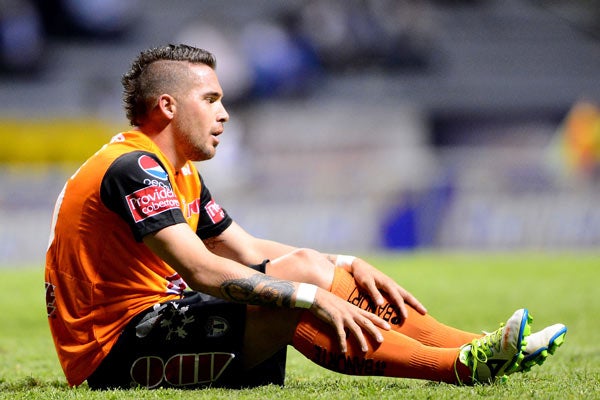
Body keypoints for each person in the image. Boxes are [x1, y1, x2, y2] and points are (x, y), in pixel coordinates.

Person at [44, 44, 567, 390]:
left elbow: (245, 250)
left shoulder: (174, 171)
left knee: (308, 268)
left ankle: (480, 349)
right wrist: (310, 294)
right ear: (168, 107)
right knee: (298, 288)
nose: (224, 113)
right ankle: (458, 368)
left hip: (157, 325)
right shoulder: (133, 167)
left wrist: (341, 263)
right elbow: (201, 270)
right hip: (112, 352)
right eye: (211, 99)